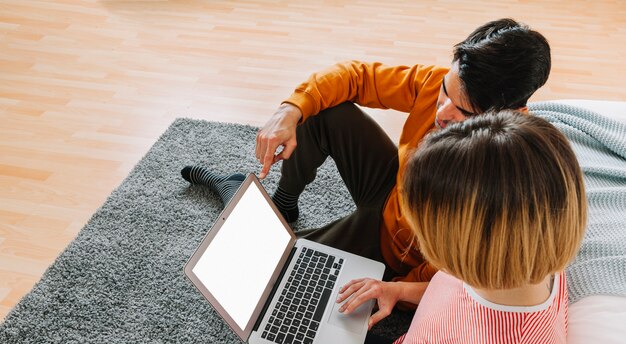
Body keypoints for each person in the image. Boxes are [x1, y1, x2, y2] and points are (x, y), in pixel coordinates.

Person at [181, 18, 552, 304]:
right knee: (322, 110)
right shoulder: (439, 86)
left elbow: (463, 280)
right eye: (444, 93)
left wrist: (397, 290)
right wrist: (290, 108)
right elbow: (355, 76)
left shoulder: (508, 178)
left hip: (404, 251)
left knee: (270, 270)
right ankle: (285, 201)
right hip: (393, 192)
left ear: (512, 113)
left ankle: (231, 187)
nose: (441, 114)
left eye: (463, 112)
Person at [249, 110, 587, 344]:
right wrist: (397, 289)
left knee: (270, 340)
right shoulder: (530, 256)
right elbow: (460, 299)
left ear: (471, 246)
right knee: (281, 322)